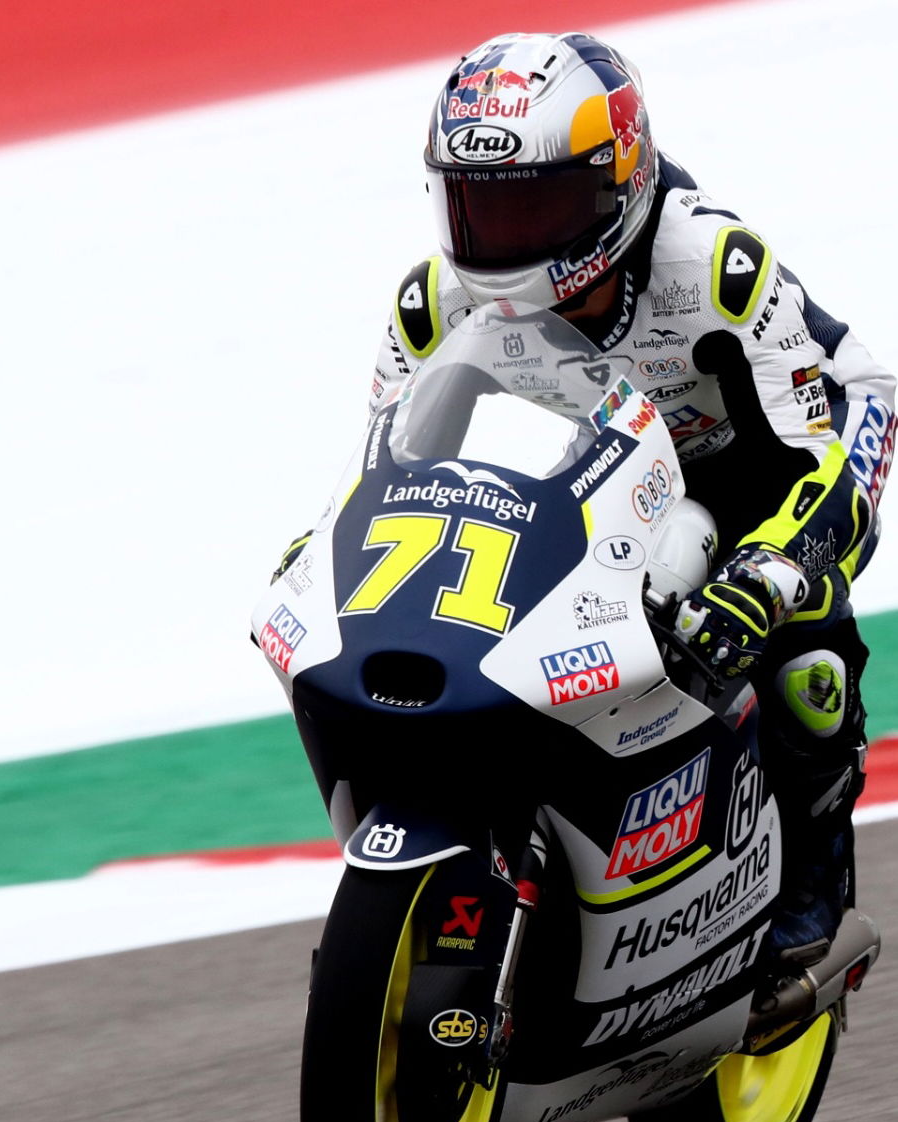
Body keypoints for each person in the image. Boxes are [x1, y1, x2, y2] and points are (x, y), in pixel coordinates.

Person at [358, 31, 895, 965]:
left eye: (539, 204)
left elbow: (844, 431)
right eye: (479, 207)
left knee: (807, 672)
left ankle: (813, 883)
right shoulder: (434, 302)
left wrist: (770, 574)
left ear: (617, 182)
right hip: (576, 477)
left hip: (747, 475)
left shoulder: (715, 269)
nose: (505, 239)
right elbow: (386, 465)